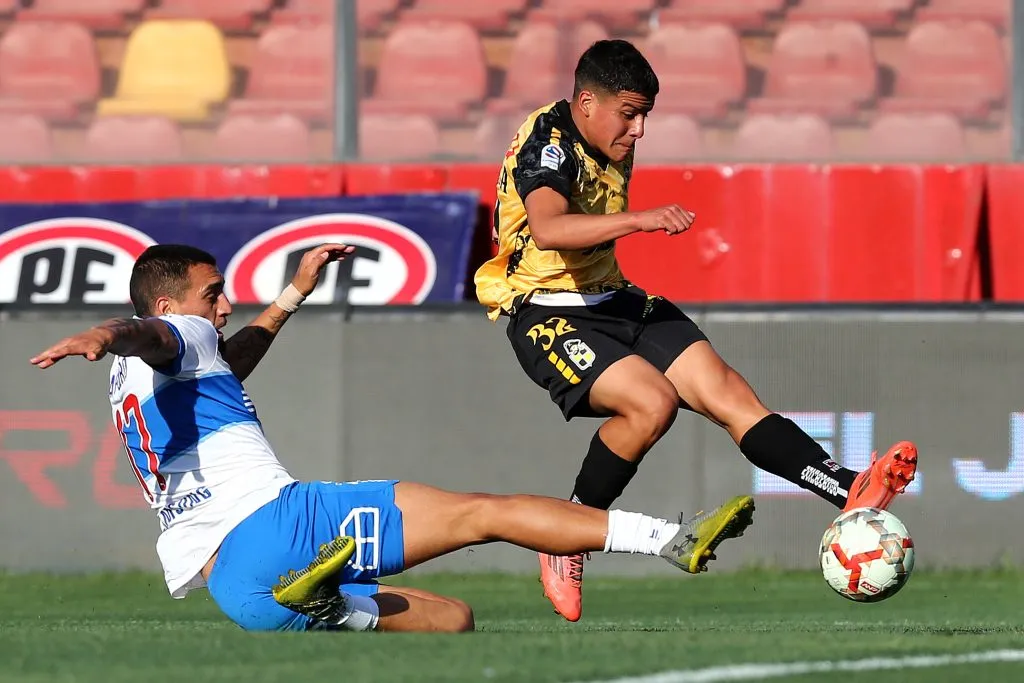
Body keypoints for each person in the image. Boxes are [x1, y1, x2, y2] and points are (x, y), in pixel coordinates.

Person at [29, 243, 756, 633]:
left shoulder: (137, 377)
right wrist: (100, 330)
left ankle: (328, 606)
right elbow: (153, 329)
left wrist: (293, 293)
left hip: (238, 589)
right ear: (169, 302)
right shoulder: (161, 331)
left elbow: (222, 356)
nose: (222, 304)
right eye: (212, 291)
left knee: (454, 620)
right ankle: (668, 538)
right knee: (486, 512)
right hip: (279, 525)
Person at [473, 38, 919, 623]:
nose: (638, 131)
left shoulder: (602, 134)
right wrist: (643, 219)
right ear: (586, 101)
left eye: (644, 117)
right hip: (545, 309)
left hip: (616, 298)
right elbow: (551, 229)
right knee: (651, 404)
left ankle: (849, 489)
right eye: (628, 114)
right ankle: (566, 541)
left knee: (728, 393)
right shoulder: (550, 143)